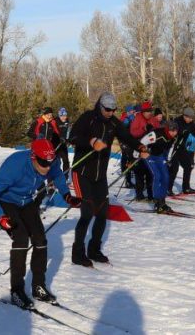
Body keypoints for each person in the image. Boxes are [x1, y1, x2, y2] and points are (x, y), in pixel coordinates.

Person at [0, 138, 81, 309]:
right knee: (21, 239)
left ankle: (38, 286)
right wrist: (0, 217)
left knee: (40, 240)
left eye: (50, 162)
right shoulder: (16, 164)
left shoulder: (50, 162)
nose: (47, 167)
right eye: (43, 163)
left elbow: (57, 174)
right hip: (7, 202)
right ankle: (17, 291)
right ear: (33, 157)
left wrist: (66, 195)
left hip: (27, 202)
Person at [70, 92, 145, 267]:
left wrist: (140, 146)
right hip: (82, 172)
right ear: (100, 106)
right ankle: (77, 253)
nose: (111, 112)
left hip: (99, 175)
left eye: (114, 109)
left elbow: (126, 137)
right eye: (108, 109)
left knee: (102, 213)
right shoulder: (88, 118)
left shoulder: (113, 123)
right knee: (87, 213)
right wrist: (91, 141)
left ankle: (94, 249)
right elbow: (72, 136)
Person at [169, 107, 195, 195]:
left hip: (182, 148)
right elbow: (171, 133)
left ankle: (186, 188)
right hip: (174, 147)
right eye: (189, 118)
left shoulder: (191, 123)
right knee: (174, 169)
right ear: (184, 116)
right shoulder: (177, 122)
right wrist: (179, 134)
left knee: (188, 166)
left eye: (192, 118)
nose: (191, 120)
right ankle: (168, 188)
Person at [146, 123, 176, 213]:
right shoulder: (157, 133)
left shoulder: (173, 138)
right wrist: (138, 152)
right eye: (172, 131)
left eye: (175, 131)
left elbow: (171, 148)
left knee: (166, 177)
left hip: (160, 156)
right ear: (168, 129)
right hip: (149, 155)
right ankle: (157, 202)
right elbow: (142, 142)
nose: (173, 133)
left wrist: (168, 159)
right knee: (157, 176)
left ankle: (162, 201)